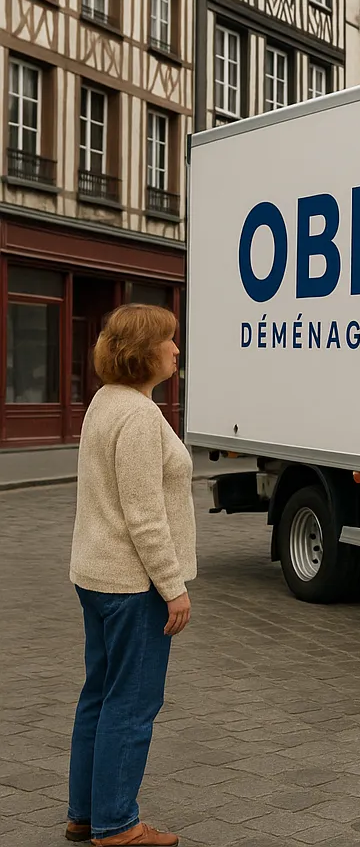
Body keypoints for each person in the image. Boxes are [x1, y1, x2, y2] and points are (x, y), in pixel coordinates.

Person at [65, 304, 195, 847]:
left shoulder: (105, 401)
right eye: (169, 341)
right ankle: (117, 825)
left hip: (96, 573)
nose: (176, 350)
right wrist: (174, 588)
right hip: (132, 584)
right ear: (146, 353)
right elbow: (144, 516)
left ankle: (85, 814)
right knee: (132, 703)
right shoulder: (140, 417)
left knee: (99, 694)